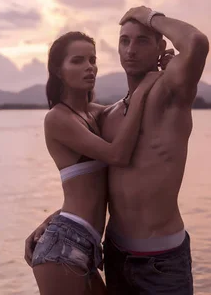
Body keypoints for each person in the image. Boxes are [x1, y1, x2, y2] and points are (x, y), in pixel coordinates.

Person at [26, 6, 209, 294]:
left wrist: (151, 17)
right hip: (113, 254)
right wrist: (57, 221)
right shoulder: (106, 116)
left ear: (161, 47)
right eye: (125, 40)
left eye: (142, 40)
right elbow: (97, 183)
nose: (131, 49)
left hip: (161, 259)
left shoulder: (171, 94)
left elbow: (196, 42)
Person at [28, 31, 162, 295]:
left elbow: (131, 107)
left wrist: (158, 68)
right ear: (58, 69)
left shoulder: (94, 113)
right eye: (77, 61)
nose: (89, 67)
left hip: (87, 244)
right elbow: (117, 155)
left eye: (92, 59)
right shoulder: (57, 118)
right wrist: (146, 86)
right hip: (63, 247)